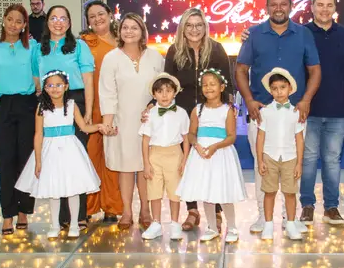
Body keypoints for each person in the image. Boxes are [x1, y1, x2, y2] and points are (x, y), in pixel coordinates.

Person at [236, 0, 321, 233]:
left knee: (292, 165)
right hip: (261, 114)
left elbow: (315, 70)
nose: (278, 8)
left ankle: (289, 218)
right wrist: (249, 100)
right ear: (266, 8)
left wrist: (306, 100)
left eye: (283, 4)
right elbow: (241, 70)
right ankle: (263, 217)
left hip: (294, 114)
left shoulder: (303, 34)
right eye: (273, 4)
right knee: (262, 165)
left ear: (291, 6)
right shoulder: (253, 34)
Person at [163, 7, 233, 231]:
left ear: (205, 27)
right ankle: (192, 210)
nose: (194, 29)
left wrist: (227, 110)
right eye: (190, 25)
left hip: (212, 112)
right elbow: (167, 83)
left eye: (199, 25)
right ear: (183, 28)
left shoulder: (217, 49)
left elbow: (228, 84)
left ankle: (217, 210)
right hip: (184, 113)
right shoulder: (174, 50)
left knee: (214, 162)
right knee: (188, 163)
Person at [15, 70, 107, 238]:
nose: (55, 89)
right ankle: (55, 224)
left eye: (58, 85)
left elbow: (84, 127)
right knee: (53, 189)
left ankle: (74, 224)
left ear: (66, 86)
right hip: (49, 151)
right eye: (50, 85)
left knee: (73, 188)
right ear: (45, 88)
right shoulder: (41, 107)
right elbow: (38, 134)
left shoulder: (71, 105)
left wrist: (99, 127)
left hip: (70, 149)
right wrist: (38, 160)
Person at [299, 0, 344, 226]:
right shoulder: (301, 33)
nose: (324, 9)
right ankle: (307, 206)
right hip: (308, 110)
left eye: (329, 5)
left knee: (332, 161)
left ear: (335, 8)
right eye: (320, 5)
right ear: (312, 7)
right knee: (308, 160)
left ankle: (331, 207)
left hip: (338, 111)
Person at [33, 4, 95, 230]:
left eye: (63, 18)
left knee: (75, 160)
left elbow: (88, 80)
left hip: (75, 101)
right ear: (47, 22)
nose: (58, 22)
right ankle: (59, 218)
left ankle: (79, 215)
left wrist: (88, 111)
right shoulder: (38, 49)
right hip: (48, 103)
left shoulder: (79, 46)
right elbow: (36, 79)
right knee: (53, 161)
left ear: (69, 23)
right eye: (53, 18)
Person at [99, 13, 163, 230]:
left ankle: (145, 210)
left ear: (142, 31)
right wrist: (108, 122)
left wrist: (153, 108)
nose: (129, 31)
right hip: (122, 120)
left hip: (149, 121)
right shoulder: (112, 58)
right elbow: (107, 93)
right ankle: (127, 211)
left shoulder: (155, 57)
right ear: (119, 31)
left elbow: (163, 88)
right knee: (125, 167)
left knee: (146, 166)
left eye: (134, 27)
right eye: (125, 27)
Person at [177, 69, 246, 242]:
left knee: (223, 192)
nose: (208, 88)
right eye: (205, 85)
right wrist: (196, 145)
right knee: (206, 192)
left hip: (220, 154)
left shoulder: (227, 110)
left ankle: (232, 227)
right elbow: (191, 133)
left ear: (222, 87)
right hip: (202, 154)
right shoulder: (197, 110)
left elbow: (231, 136)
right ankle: (212, 227)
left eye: (212, 84)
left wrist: (216, 146)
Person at [0, 4, 39, 235]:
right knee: (6, 162)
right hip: (4, 106)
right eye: (10, 19)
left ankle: (24, 211)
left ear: (25, 25)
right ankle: (7, 215)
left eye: (19, 21)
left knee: (25, 161)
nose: (13, 25)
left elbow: (37, 77)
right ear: (3, 21)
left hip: (27, 105)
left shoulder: (32, 47)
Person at [80, 0, 124, 222]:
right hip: (92, 106)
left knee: (113, 156)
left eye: (100, 14)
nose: (97, 19)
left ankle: (112, 206)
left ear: (109, 15)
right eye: (92, 16)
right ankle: (88, 207)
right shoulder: (84, 44)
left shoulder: (123, 41)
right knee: (91, 155)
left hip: (118, 107)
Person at [139, 73, 191, 241]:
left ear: (174, 93)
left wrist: (184, 160)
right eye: (160, 91)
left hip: (175, 154)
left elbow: (186, 139)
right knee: (154, 191)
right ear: (154, 95)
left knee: (174, 191)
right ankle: (156, 224)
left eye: (168, 91)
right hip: (155, 154)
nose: (164, 95)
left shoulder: (181, 113)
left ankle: (175, 223)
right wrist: (146, 164)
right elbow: (145, 140)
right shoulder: (150, 114)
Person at [256, 68, 306, 241]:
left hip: (290, 157)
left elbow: (299, 139)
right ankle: (268, 224)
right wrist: (260, 160)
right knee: (269, 192)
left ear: (290, 89)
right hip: (270, 156)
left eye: (282, 87)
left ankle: (290, 224)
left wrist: (299, 163)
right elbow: (260, 137)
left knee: (290, 192)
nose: (279, 92)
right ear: (270, 91)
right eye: (275, 88)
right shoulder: (265, 112)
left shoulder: (296, 112)